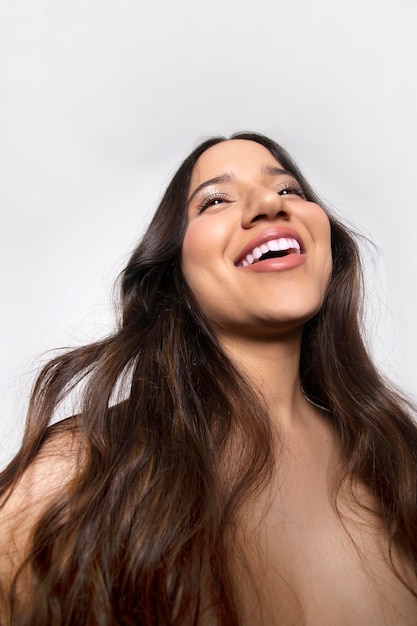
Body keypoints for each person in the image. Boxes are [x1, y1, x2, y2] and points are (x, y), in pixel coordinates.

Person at [0, 132, 416, 625]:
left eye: (288, 190)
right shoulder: (85, 469)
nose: (268, 204)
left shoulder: (400, 463)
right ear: (174, 275)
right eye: (215, 200)